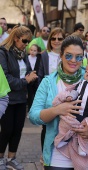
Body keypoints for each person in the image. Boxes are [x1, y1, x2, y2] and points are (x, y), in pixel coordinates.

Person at [29, 36, 88, 170]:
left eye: (79, 57)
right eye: (68, 56)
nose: (73, 61)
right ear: (60, 55)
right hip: (58, 157)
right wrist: (57, 110)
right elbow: (33, 116)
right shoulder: (48, 82)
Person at [0, 25, 38, 170]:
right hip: (7, 98)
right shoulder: (3, 52)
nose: (26, 44)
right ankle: (0, 158)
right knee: (6, 130)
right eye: (24, 41)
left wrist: (31, 75)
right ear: (15, 38)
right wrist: (25, 81)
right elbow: (5, 78)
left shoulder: (23, 54)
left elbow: (26, 71)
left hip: (21, 98)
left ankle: (11, 158)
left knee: (18, 129)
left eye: (29, 41)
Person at [38, 27, 65, 162]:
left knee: (63, 125)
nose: (56, 41)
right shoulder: (44, 55)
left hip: (65, 95)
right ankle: (45, 154)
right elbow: (40, 76)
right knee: (47, 126)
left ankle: (60, 154)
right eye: (53, 38)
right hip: (49, 96)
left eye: (59, 38)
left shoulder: (67, 54)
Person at [27, 44, 41, 111]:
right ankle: (30, 110)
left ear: (37, 51)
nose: (32, 52)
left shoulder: (39, 58)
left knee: (36, 95)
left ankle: (35, 110)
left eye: (34, 51)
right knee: (29, 96)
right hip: (29, 80)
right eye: (31, 50)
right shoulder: (26, 58)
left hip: (36, 80)